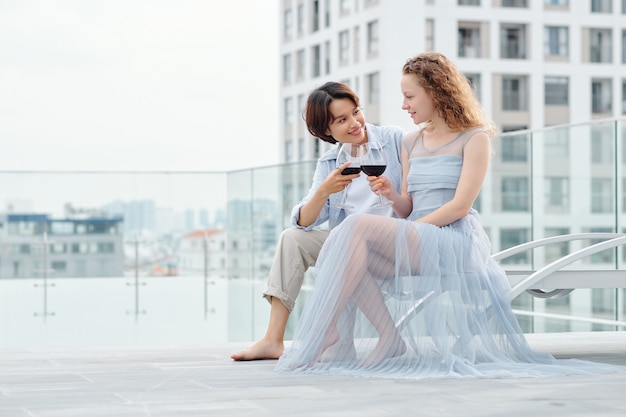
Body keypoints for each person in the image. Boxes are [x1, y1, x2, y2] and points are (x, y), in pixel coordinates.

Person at [275, 52, 622, 378]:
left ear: (436, 93)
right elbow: (408, 205)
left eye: (410, 97)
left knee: (354, 228)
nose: (403, 105)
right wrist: (392, 195)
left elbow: (459, 206)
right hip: (416, 241)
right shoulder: (411, 141)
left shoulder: (475, 139)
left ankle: (325, 331)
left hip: (453, 241)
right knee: (350, 247)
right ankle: (387, 336)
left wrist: (405, 230)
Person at [231, 81, 406, 361]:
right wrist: (324, 190)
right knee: (292, 238)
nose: (355, 123)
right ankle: (273, 339)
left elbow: (413, 198)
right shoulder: (329, 163)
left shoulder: (393, 140)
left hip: (392, 243)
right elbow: (303, 221)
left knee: (349, 242)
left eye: (356, 112)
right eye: (341, 120)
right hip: (351, 245)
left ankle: (329, 328)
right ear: (326, 131)